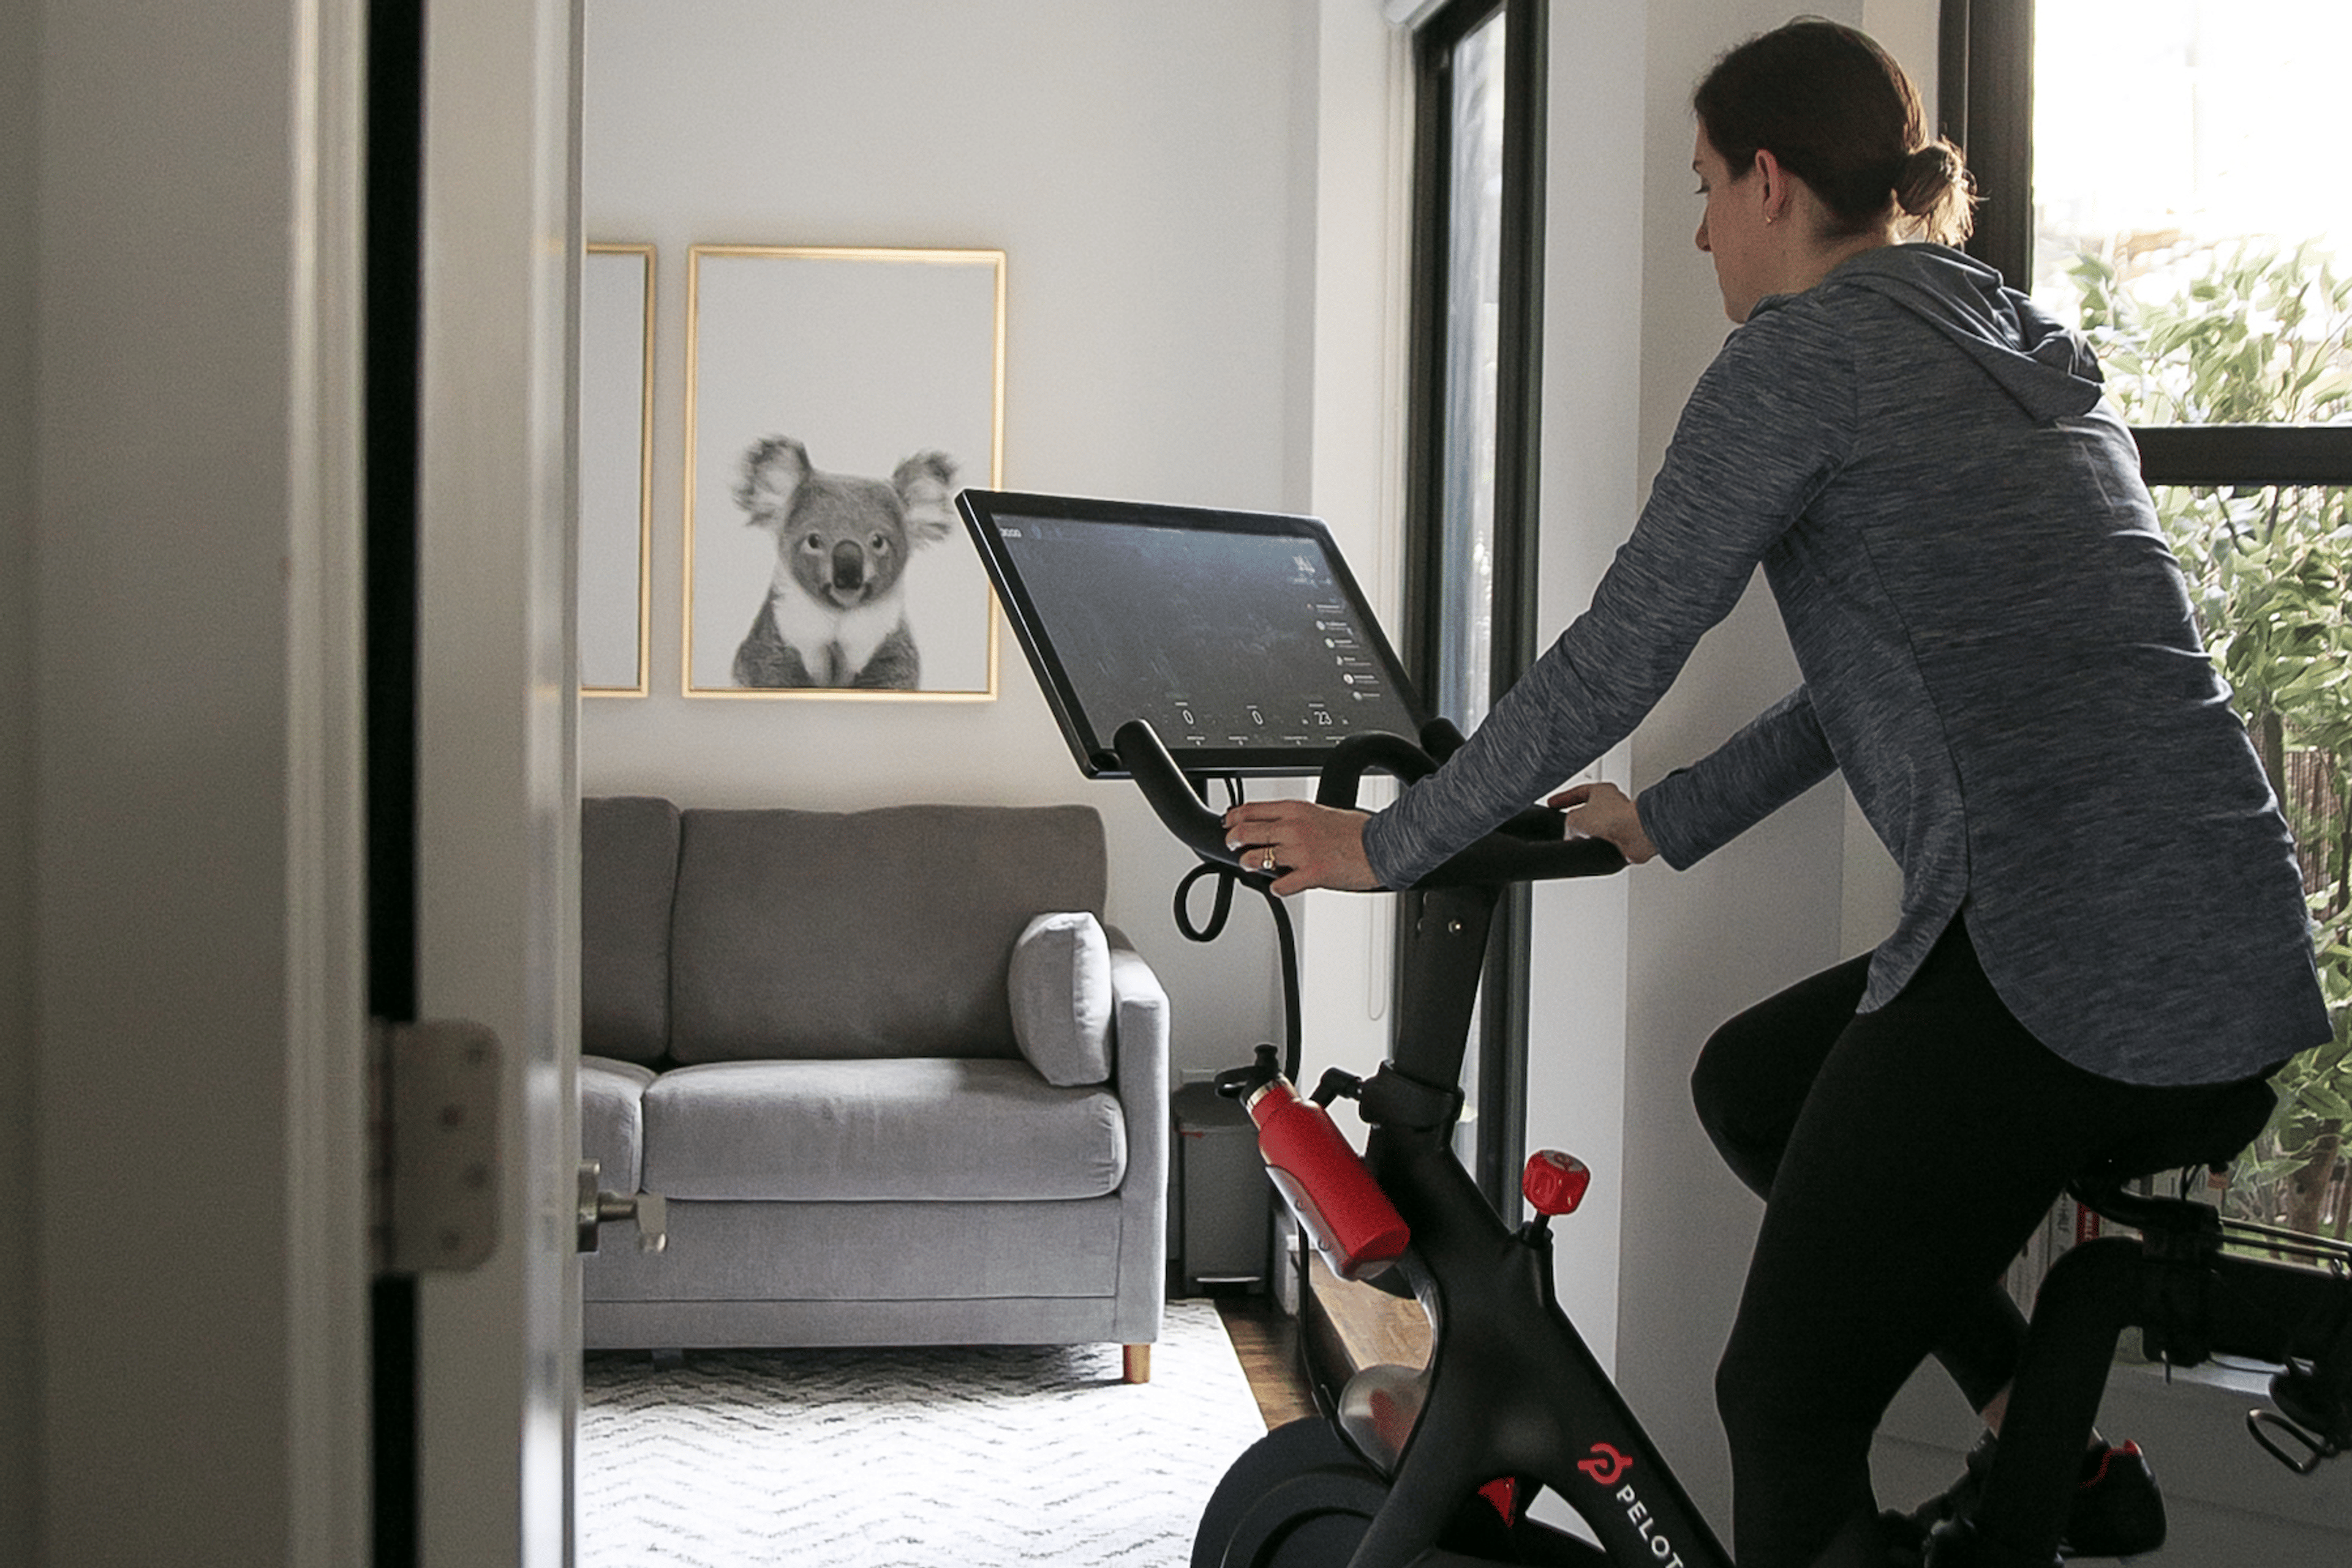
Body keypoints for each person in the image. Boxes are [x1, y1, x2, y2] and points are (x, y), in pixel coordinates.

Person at [1221, 18, 2331, 1568]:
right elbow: (1881, 676)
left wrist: (1390, 843)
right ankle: (2039, 1426)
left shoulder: (1803, 357)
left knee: (1782, 1394)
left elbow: (1620, 646)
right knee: (1757, 1083)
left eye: (1701, 187)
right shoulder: (2000, 331)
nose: (1694, 231)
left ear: (1768, 178)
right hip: (2219, 938)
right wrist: (1666, 815)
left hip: (2062, 952)